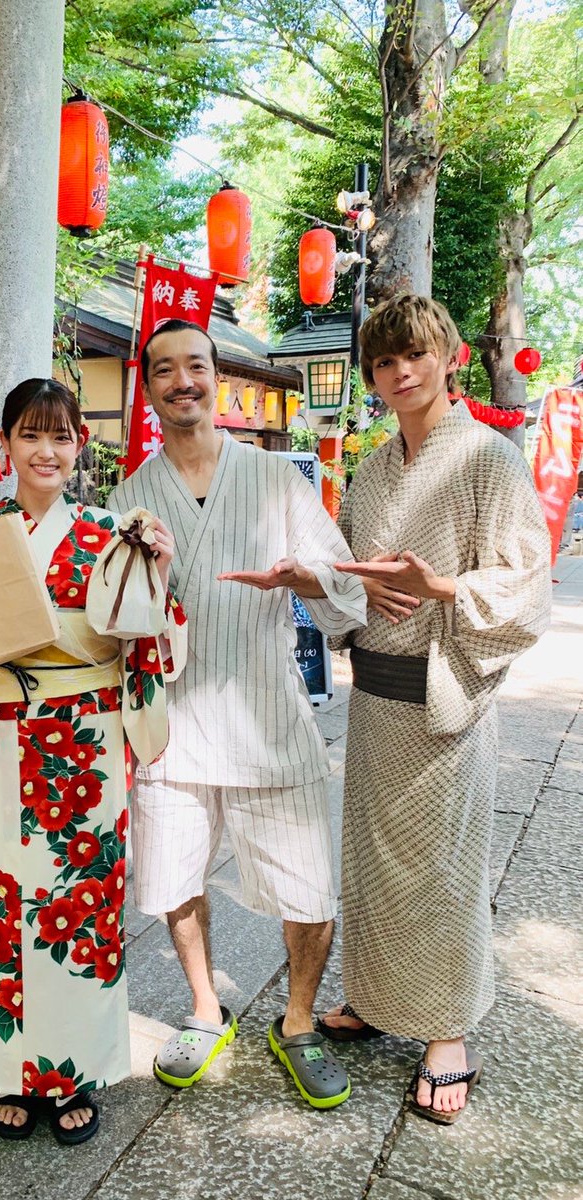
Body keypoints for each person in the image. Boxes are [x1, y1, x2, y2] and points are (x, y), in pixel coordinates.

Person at [0, 378, 185, 1145]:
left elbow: (157, 637)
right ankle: (8, 1074)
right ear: (5, 446)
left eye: (62, 437)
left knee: (82, 905)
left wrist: (157, 572)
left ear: (78, 449)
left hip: (87, 750)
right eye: (31, 435)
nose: (47, 451)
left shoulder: (108, 532)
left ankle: (76, 1070)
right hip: (4, 744)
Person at [108, 320, 367, 1109]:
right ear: (147, 387)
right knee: (175, 880)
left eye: (195, 365)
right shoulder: (128, 499)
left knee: (309, 888)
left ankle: (295, 1024)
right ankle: (202, 1007)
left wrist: (305, 577)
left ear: (215, 376)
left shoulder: (276, 478)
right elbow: (110, 617)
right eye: (164, 370)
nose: (182, 380)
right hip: (174, 728)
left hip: (267, 715)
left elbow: (344, 586)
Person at [317, 294, 552, 1123]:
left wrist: (440, 585)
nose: (399, 373)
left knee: (444, 871)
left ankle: (448, 1029)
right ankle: (377, 999)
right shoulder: (375, 466)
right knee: (375, 869)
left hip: (446, 697)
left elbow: (528, 584)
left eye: (414, 355)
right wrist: (332, 582)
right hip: (375, 699)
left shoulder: (491, 457)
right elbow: (347, 569)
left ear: (450, 354)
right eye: (384, 362)